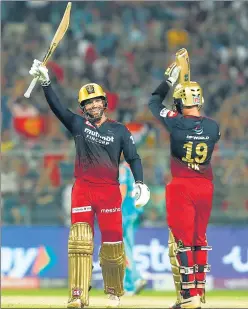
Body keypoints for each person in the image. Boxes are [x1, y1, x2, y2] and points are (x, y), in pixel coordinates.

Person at [28, 59, 150, 308]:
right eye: (88, 102)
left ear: (104, 102)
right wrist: (46, 82)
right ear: (83, 107)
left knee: (113, 245)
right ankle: (78, 294)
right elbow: (58, 108)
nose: (93, 105)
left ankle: (114, 293)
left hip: (109, 191)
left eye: (97, 100)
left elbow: (134, 158)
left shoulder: (119, 130)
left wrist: (140, 183)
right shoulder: (77, 125)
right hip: (83, 189)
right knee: (80, 242)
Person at [148, 61, 221, 309]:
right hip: (206, 186)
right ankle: (200, 292)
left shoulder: (175, 122)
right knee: (200, 238)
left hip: (182, 186)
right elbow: (200, 127)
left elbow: (153, 103)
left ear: (179, 102)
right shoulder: (214, 127)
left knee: (183, 241)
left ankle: (188, 295)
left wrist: (169, 81)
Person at [119, 159, 147, 296]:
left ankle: (136, 279)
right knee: (127, 247)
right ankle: (129, 284)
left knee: (124, 248)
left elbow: (122, 190)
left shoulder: (123, 169)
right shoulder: (134, 169)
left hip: (125, 214)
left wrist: (115, 208)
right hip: (134, 213)